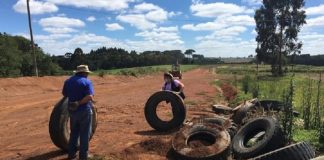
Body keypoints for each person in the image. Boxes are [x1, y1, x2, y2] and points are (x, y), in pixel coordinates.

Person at [62, 65, 94, 160]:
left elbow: (64, 94)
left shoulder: (68, 81)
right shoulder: (87, 82)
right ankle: (83, 156)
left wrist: (74, 99)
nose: (87, 75)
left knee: (74, 132)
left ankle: (71, 154)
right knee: (84, 133)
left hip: (72, 111)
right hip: (84, 110)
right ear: (84, 73)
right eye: (87, 73)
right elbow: (90, 97)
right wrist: (79, 102)